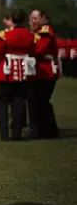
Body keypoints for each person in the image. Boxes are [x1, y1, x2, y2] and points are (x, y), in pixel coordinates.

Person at [0, 8, 36, 140]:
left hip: (7, 72)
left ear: (12, 19)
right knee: (19, 103)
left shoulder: (5, 35)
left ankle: (4, 133)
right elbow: (33, 51)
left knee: (2, 103)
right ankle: (16, 133)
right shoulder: (30, 35)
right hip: (23, 72)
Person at [28, 10, 59, 138]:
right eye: (32, 19)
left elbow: (39, 49)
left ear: (43, 19)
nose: (33, 21)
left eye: (36, 18)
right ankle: (43, 130)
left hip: (46, 72)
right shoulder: (36, 33)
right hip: (38, 71)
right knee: (37, 101)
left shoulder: (45, 32)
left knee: (41, 101)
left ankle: (46, 130)